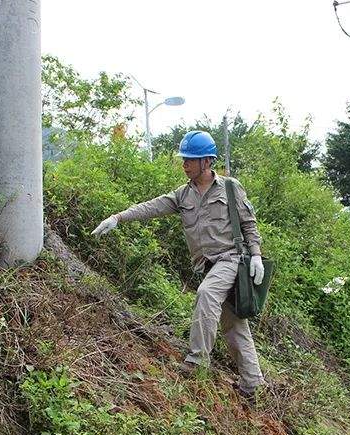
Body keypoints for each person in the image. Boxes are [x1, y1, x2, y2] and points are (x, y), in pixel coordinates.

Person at [91, 130, 266, 400]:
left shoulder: (231, 187)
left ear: (207, 162)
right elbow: (152, 207)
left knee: (206, 295)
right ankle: (253, 385)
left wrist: (255, 254)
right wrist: (118, 217)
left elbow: (248, 223)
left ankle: (197, 362)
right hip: (207, 266)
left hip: (231, 260)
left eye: (190, 160)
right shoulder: (183, 195)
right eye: (184, 159)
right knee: (233, 323)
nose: (184, 164)